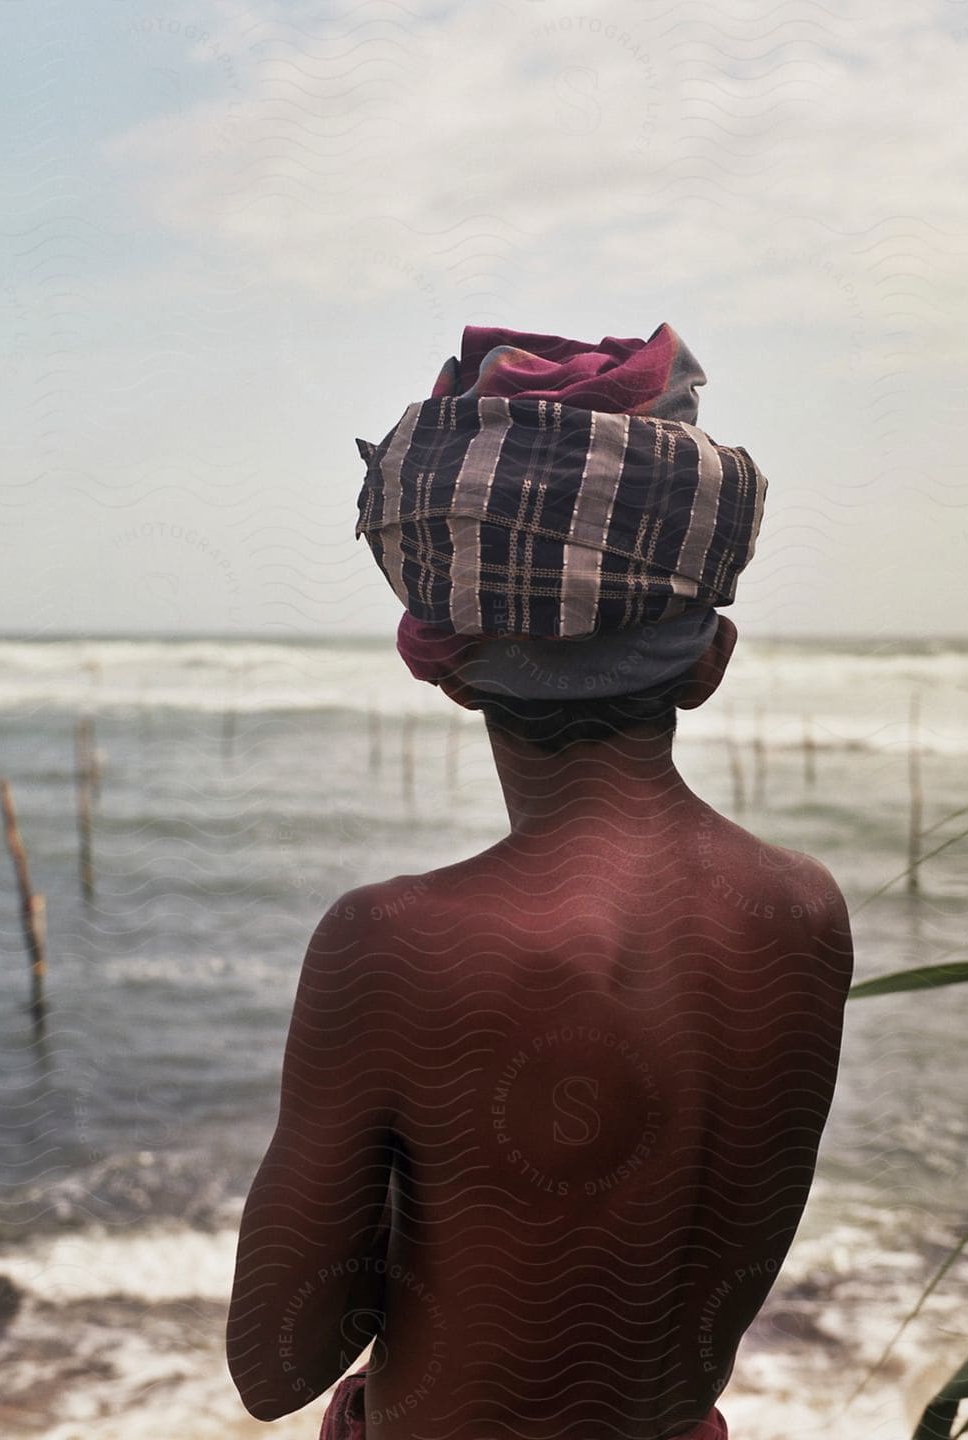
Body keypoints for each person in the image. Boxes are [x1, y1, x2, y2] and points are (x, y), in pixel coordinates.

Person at [227, 325, 854, 1439]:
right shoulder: (805, 913)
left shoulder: (395, 943)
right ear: (709, 662)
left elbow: (277, 1361)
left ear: (451, 668)